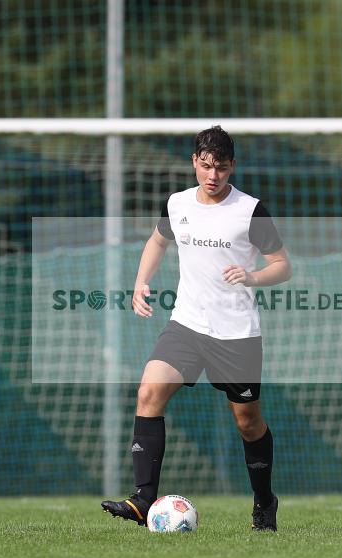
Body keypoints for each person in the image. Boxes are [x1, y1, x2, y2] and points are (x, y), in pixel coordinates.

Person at [101, 126, 291, 531]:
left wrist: (252, 277)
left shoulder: (250, 211)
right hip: (186, 325)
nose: (213, 176)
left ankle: (263, 501)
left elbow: (282, 266)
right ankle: (143, 500)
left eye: (221, 168)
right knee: (149, 391)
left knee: (247, 422)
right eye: (206, 166)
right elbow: (157, 241)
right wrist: (141, 282)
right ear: (194, 162)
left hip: (236, 333)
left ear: (232, 167)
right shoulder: (177, 203)